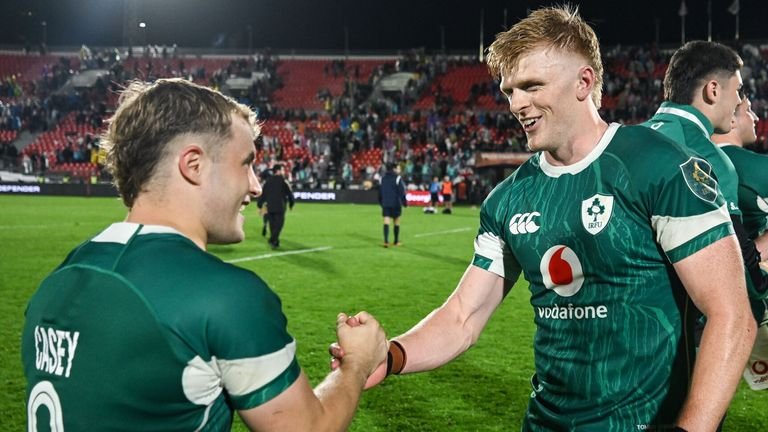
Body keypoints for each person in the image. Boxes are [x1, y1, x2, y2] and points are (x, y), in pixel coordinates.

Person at [332, 6, 755, 431]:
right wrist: (390, 357)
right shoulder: (508, 198)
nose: (516, 104)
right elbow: (462, 316)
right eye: (509, 91)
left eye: (531, 86)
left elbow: (732, 315)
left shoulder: (658, 165)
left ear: (584, 82)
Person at [21, 78, 387, 431]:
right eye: (246, 163)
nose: (256, 186)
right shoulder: (225, 296)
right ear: (193, 165)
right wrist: (356, 363)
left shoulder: (59, 279)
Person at [641, 41, 768, 316]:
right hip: (666, 329)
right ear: (713, 90)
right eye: (737, 91)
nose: (738, 101)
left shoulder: (627, 138)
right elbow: (744, 275)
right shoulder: (706, 158)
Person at [712, 97, 768, 391]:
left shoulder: (693, 160)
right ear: (731, 119)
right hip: (751, 294)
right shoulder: (753, 168)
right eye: (748, 110)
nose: (756, 117)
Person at [257, 163, 294, 249]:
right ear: (278, 171)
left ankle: (275, 241)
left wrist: (259, 205)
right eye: (282, 170)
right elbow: (289, 194)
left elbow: (263, 194)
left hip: (270, 207)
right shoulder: (283, 181)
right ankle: (272, 239)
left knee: (272, 225)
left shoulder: (268, 181)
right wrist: (291, 203)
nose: (283, 171)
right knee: (279, 226)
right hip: (280, 207)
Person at [378, 162, 406, 247]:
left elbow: (380, 191)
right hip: (395, 203)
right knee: (396, 221)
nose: (399, 170)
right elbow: (402, 191)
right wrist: (405, 203)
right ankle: (396, 241)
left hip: (386, 202)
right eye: (397, 168)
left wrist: (381, 202)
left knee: (386, 220)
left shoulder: (383, 178)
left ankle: (386, 241)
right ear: (394, 169)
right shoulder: (397, 178)